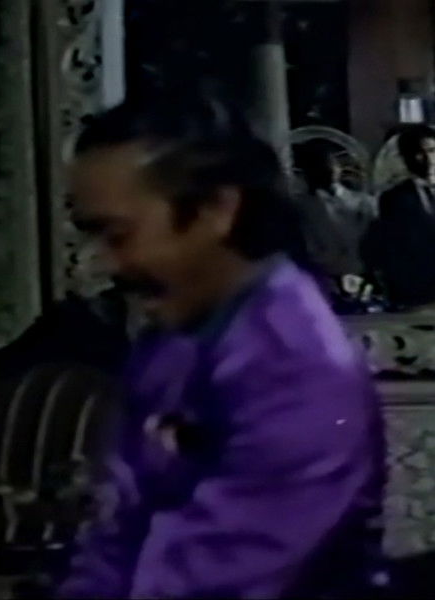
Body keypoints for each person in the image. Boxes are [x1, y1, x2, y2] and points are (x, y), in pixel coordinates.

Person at [55, 95, 387, 599]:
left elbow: (214, 576)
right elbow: (115, 532)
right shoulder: (173, 336)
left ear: (216, 210)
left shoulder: (301, 369)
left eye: (118, 236)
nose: (103, 264)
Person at [362, 125, 435, 308]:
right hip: (417, 296)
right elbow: (393, 253)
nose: (428, 159)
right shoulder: (394, 199)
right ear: (406, 157)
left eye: (432, 151)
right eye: (419, 153)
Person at [296, 143, 376, 282]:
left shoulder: (363, 201)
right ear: (306, 172)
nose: (328, 170)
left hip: (366, 271)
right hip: (328, 275)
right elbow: (307, 246)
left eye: (332, 164)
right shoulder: (301, 208)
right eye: (318, 166)